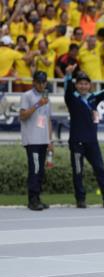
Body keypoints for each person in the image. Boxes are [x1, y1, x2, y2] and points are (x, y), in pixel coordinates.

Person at [63, 64, 104, 209]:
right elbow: (68, 89)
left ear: (90, 85)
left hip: (92, 142)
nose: (83, 86)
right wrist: (68, 75)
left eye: (86, 84)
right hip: (77, 142)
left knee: (100, 170)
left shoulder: (93, 98)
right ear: (76, 85)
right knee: (78, 172)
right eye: (80, 83)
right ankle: (80, 200)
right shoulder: (71, 98)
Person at [19, 71, 53, 211]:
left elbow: (48, 120)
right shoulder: (27, 96)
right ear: (33, 82)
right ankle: (32, 200)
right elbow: (22, 115)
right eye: (38, 82)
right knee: (35, 169)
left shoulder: (46, 97)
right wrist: (38, 104)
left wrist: (50, 140)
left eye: (43, 82)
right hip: (32, 140)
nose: (41, 84)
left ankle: (37, 198)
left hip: (43, 139)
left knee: (40, 172)